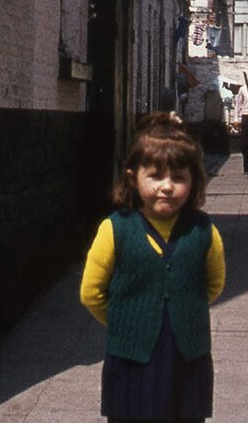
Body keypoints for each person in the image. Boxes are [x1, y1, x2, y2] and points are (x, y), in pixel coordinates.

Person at [80, 112, 225, 423]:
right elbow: (92, 292)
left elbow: (212, 285)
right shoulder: (115, 229)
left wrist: (181, 309)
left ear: (195, 181)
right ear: (133, 178)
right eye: (156, 176)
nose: (167, 187)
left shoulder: (203, 231)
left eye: (179, 177)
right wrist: (127, 318)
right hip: (132, 362)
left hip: (188, 360)